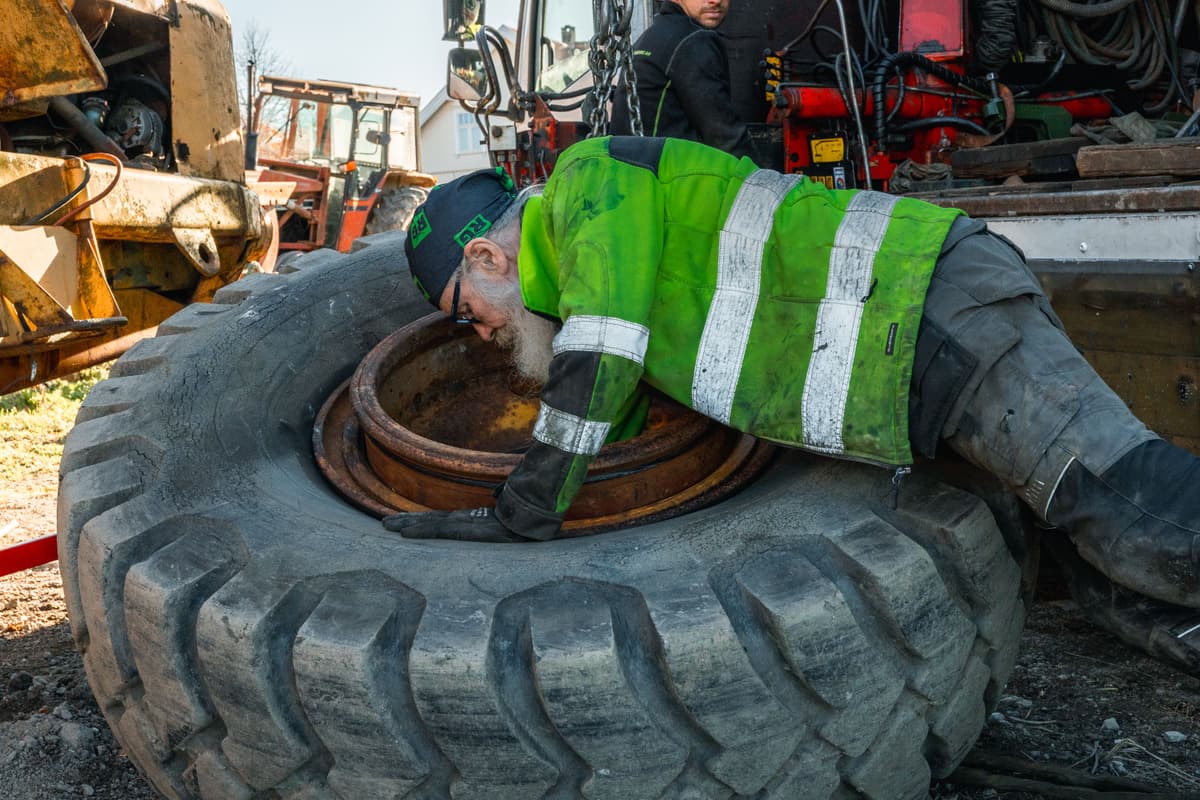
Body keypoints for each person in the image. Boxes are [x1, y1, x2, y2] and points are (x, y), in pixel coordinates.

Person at [394, 136, 1200, 619]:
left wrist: (525, 508)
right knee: (1106, 570)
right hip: (910, 341)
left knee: (1128, 509)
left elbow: (605, 354)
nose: (484, 334)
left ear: (485, 256)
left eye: (467, 312)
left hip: (929, 307)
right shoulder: (590, 276)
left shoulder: (586, 182)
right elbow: (623, 397)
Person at [609, 0, 753, 159]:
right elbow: (726, 138)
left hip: (635, 175)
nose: (716, 1)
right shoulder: (693, 40)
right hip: (669, 178)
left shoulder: (650, 37)